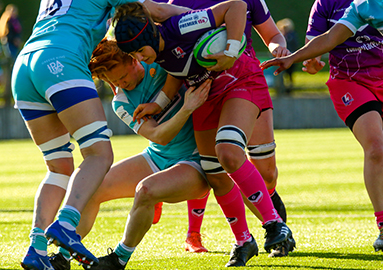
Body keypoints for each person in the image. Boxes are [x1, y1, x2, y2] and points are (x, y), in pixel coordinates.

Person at [12, 0, 194, 269]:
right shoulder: (122, 99)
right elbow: (151, 10)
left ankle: (37, 248)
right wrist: (200, 17)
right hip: (60, 57)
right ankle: (65, 224)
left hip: (25, 65)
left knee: (58, 167)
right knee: (99, 155)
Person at [113, 0, 294, 260]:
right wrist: (158, 104)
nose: (140, 59)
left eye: (141, 51)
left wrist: (231, 50)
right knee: (214, 172)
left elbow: (236, 6)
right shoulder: (157, 49)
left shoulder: (179, 26)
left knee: (229, 152)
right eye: (135, 56)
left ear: (151, 34)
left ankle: (274, 224)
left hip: (237, 79)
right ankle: (244, 241)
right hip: (206, 95)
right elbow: (176, 71)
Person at [72, 37, 217, 269]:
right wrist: (187, 108)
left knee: (146, 190)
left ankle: (119, 257)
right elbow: (159, 136)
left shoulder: (159, 62)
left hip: (196, 162)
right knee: (93, 188)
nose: (121, 84)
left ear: (133, 59)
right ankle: (64, 254)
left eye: (122, 76)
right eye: (113, 81)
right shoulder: (120, 102)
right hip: (158, 156)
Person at [260, 0, 383, 252]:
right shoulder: (359, 6)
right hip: (351, 81)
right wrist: (297, 58)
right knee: (376, 148)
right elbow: (328, 38)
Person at [276, 18, 299, 91]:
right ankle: (283, 87)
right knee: (282, 73)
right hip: (283, 57)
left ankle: (290, 87)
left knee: (289, 73)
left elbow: (295, 45)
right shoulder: (281, 36)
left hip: (290, 56)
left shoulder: (291, 36)